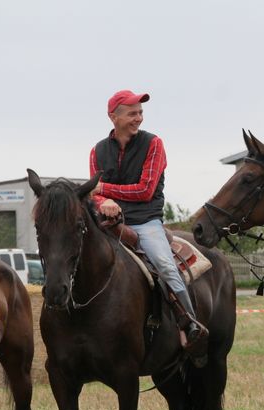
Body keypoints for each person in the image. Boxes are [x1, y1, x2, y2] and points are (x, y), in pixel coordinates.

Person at [90, 89, 209, 366]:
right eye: (132, 113)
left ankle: (190, 326)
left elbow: (145, 190)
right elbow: (92, 193)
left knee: (165, 265)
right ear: (113, 117)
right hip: (107, 222)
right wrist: (102, 200)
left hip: (145, 221)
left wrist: (105, 190)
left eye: (140, 113)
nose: (138, 118)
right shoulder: (97, 150)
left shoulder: (154, 144)